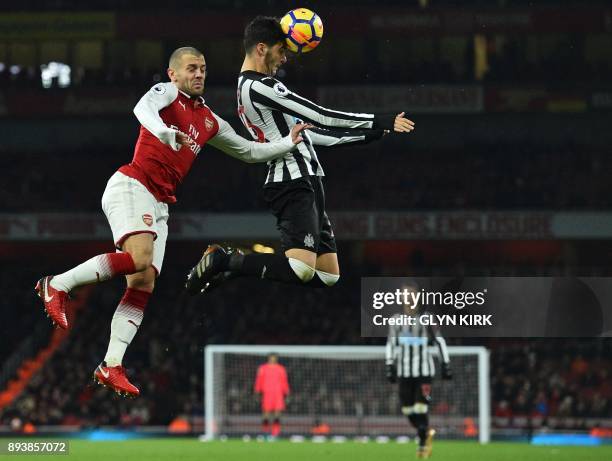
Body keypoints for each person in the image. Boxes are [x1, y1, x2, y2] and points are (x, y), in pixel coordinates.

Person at [35, 46, 310, 397]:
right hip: (133, 184)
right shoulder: (167, 95)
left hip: (160, 204)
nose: (198, 75)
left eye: (203, 69)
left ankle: (111, 365)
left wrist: (287, 143)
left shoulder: (210, 120)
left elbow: (248, 151)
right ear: (174, 74)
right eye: (191, 68)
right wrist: (164, 133)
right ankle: (56, 284)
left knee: (143, 282)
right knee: (139, 259)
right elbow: (142, 109)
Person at [184, 16, 414, 294]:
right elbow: (319, 115)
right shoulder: (259, 87)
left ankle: (233, 266)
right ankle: (226, 259)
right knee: (302, 269)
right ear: (261, 48)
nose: (284, 59)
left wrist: (370, 135)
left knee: (328, 275)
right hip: (292, 181)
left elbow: (312, 134)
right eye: (281, 51)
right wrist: (380, 120)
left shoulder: (253, 87)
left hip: (309, 180)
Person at [386, 283, 452, 459]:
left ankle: (423, 443)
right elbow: (391, 344)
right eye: (404, 295)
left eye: (411, 295)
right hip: (404, 373)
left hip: (424, 373)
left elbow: (440, 341)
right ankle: (425, 433)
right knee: (408, 411)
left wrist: (445, 364)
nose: (408, 298)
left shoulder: (428, 319)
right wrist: (389, 365)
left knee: (421, 408)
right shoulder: (396, 321)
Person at [254, 353, 290, 439]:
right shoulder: (262, 368)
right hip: (267, 393)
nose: (272, 359)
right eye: (271, 358)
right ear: (268, 358)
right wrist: (257, 391)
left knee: (277, 414)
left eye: (274, 358)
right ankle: (265, 432)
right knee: (266, 414)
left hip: (278, 393)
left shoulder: (281, 369)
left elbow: (284, 381)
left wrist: (287, 392)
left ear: (276, 359)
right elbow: (259, 380)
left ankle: (275, 433)